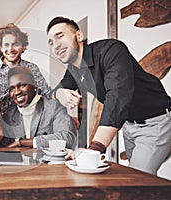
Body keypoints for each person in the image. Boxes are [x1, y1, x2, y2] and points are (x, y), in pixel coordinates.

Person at [46, 16, 171, 175]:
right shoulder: (74, 69)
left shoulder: (111, 50)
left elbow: (117, 97)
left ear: (78, 36)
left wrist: (95, 148)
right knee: (134, 175)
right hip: (129, 125)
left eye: (60, 36)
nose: (56, 45)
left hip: (155, 122)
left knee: (137, 180)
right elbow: (55, 91)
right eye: (50, 42)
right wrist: (59, 93)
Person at [0, 66, 77, 149]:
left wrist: (22, 143)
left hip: (48, 166)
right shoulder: (9, 115)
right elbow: (5, 148)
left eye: (22, 85)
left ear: (35, 85)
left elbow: (68, 138)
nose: (17, 92)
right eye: (12, 89)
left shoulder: (54, 107)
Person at [0, 23, 51, 114]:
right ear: (1, 48)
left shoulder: (32, 68)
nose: (10, 49)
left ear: (23, 47)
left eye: (15, 44)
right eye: (6, 45)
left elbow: (46, 94)